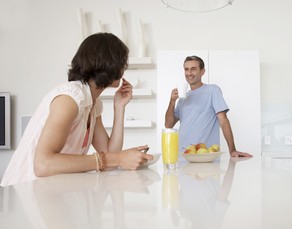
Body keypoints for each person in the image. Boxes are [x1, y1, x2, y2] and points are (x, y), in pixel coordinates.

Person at [0, 33, 153, 187]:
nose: (124, 67)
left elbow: (109, 154)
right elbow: (43, 164)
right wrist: (118, 158)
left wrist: (119, 108)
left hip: (48, 194)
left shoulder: (93, 104)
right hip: (23, 195)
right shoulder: (70, 98)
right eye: (122, 61)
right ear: (109, 63)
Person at [165, 55, 252, 157]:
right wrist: (172, 101)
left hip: (206, 156)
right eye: (186, 69)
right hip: (183, 156)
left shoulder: (212, 90)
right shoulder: (183, 98)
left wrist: (232, 150)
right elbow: (168, 125)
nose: (189, 73)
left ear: (202, 71)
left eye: (193, 69)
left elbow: (223, 121)